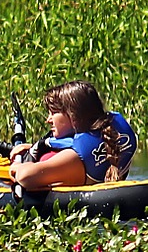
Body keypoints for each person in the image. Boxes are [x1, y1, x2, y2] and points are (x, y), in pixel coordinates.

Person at [8, 80, 137, 191]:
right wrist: (33, 148)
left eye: (53, 113)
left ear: (74, 116)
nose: (48, 120)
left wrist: (17, 167)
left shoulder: (74, 157)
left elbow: (25, 177)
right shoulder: (113, 134)